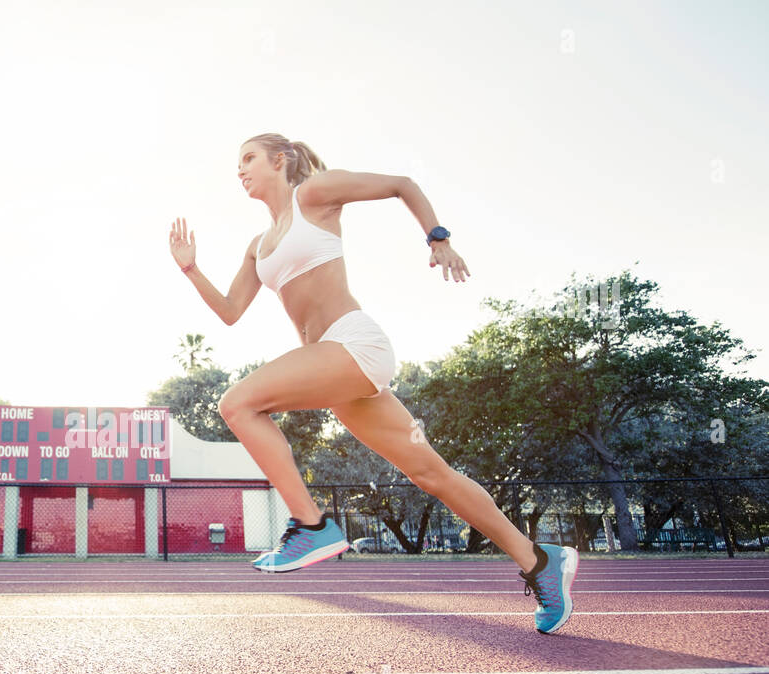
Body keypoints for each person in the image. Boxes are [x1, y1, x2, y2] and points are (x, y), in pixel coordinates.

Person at [168, 133, 577, 634]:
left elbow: (402, 184)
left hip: (354, 344)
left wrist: (438, 238)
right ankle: (539, 560)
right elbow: (231, 311)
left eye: (249, 158)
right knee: (432, 475)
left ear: (280, 160)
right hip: (339, 372)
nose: (240, 169)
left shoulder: (313, 195)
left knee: (238, 404)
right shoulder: (257, 246)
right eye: (238, 163)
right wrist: (191, 269)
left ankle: (311, 524)